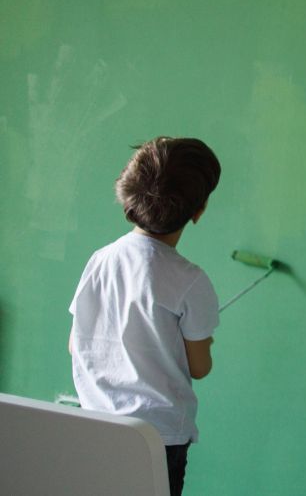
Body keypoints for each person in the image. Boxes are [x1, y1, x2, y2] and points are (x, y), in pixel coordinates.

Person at [69, 137, 223, 496]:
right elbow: (200, 367)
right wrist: (204, 341)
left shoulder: (100, 259)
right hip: (157, 439)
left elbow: (77, 345)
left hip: (94, 424)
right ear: (198, 211)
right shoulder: (191, 280)